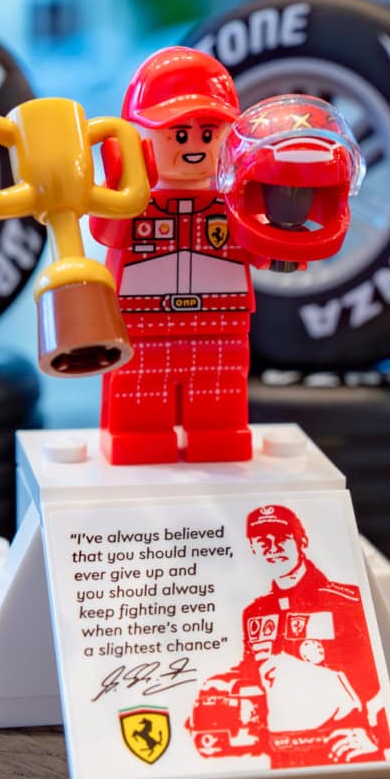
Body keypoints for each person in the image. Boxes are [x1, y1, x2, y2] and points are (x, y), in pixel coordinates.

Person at [89, 47, 276, 466]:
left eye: (208, 134)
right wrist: (122, 186)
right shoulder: (129, 201)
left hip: (222, 320)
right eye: (177, 133)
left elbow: (264, 252)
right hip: (142, 321)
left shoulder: (238, 202)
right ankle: (138, 437)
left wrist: (283, 224)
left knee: (219, 391)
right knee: (140, 391)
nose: (194, 147)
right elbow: (107, 234)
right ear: (136, 136)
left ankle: (217, 436)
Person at [193, 504, 389, 767]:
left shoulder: (345, 600)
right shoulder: (255, 611)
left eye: (282, 538)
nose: (272, 547)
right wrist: (221, 682)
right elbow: (255, 670)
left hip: (344, 741)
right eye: (262, 541)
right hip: (281, 746)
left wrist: (376, 737)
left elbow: (373, 676)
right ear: (252, 548)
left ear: (302, 541)